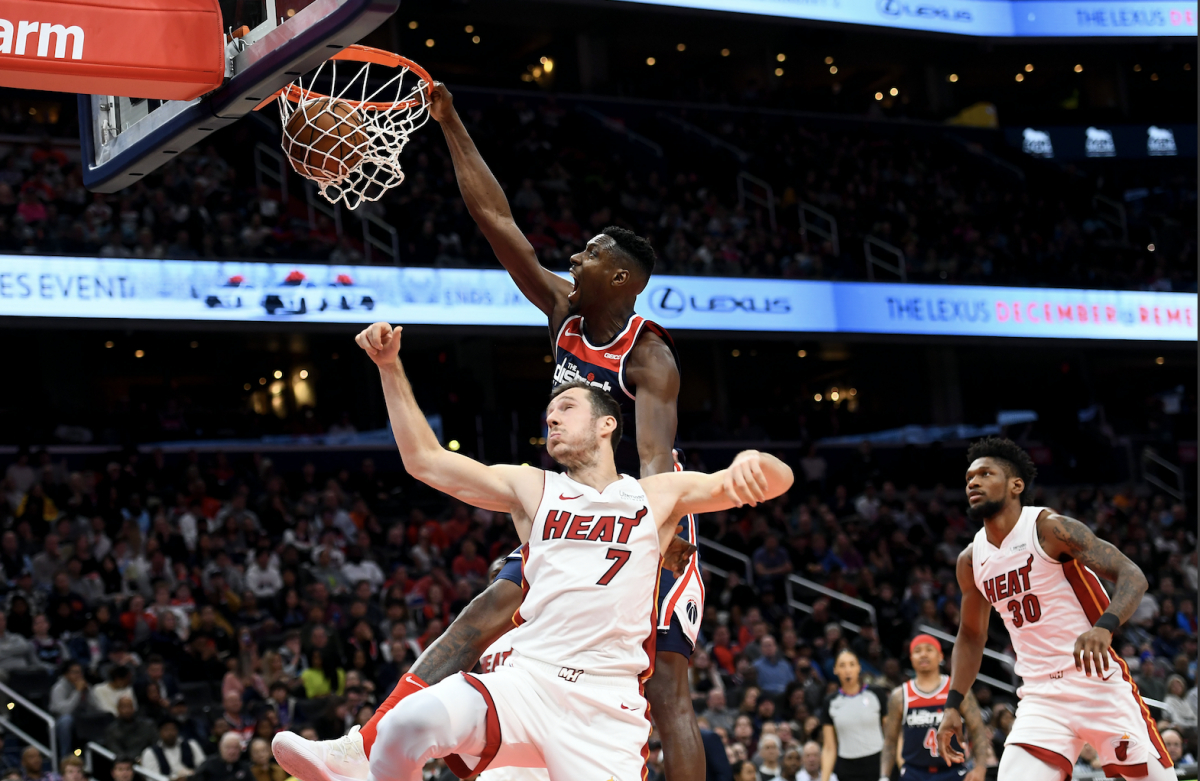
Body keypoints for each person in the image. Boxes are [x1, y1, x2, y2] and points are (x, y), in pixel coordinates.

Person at [272, 323, 792, 781]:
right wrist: (389, 367)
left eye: (566, 409)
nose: (552, 420)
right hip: (528, 680)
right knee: (406, 723)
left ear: (607, 424)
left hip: (602, 704)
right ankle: (361, 766)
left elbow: (774, 480)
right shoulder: (534, 487)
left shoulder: (656, 495)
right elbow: (425, 460)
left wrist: (751, 458)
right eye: (549, 414)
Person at [406, 80, 706, 781]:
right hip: (570, 508)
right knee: (488, 616)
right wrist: (450, 122)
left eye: (591, 254)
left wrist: (658, 544)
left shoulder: (649, 356)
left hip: (645, 516)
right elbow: (496, 220)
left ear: (622, 278)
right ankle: (380, 739)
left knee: (666, 687)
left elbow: (654, 464)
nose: (574, 258)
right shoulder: (562, 309)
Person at [937, 437, 1174, 781]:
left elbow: (1132, 575)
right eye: (969, 478)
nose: (973, 482)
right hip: (1040, 697)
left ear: (1016, 485)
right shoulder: (971, 560)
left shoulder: (1048, 529)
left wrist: (1104, 626)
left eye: (985, 474)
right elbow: (971, 635)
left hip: (1096, 684)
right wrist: (952, 704)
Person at [881, 635, 994, 781]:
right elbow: (890, 741)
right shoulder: (899, 696)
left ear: (940, 656)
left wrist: (980, 767)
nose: (923, 654)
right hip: (914, 773)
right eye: (917, 651)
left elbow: (978, 730)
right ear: (911, 658)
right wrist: (884, 776)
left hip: (953, 772)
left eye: (929, 650)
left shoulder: (958, 689)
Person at [819, 650, 888, 781]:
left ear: (859, 667)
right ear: (835, 670)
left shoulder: (876, 694)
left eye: (852, 664)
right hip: (847, 769)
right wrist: (824, 778)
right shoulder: (830, 702)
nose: (847, 670)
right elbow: (829, 747)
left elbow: (891, 735)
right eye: (842, 665)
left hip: (878, 764)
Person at [140, 716, 206, 780]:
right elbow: (152, 778)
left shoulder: (191, 745)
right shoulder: (150, 753)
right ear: (159, 732)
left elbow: (203, 767)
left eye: (173, 729)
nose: (170, 733)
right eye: (166, 730)